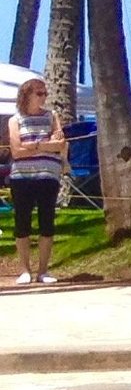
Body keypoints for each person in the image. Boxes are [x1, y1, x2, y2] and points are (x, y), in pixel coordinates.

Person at [8, 76, 67, 285]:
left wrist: (33, 146)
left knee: (46, 221)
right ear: (27, 95)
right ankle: (24, 269)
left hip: (48, 175)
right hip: (22, 177)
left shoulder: (52, 116)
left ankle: (43, 270)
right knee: (22, 221)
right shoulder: (15, 120)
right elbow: (16, 151)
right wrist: (44, 144)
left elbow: (60, 144)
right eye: (39, 93)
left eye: (45, 93)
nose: (44, 97)